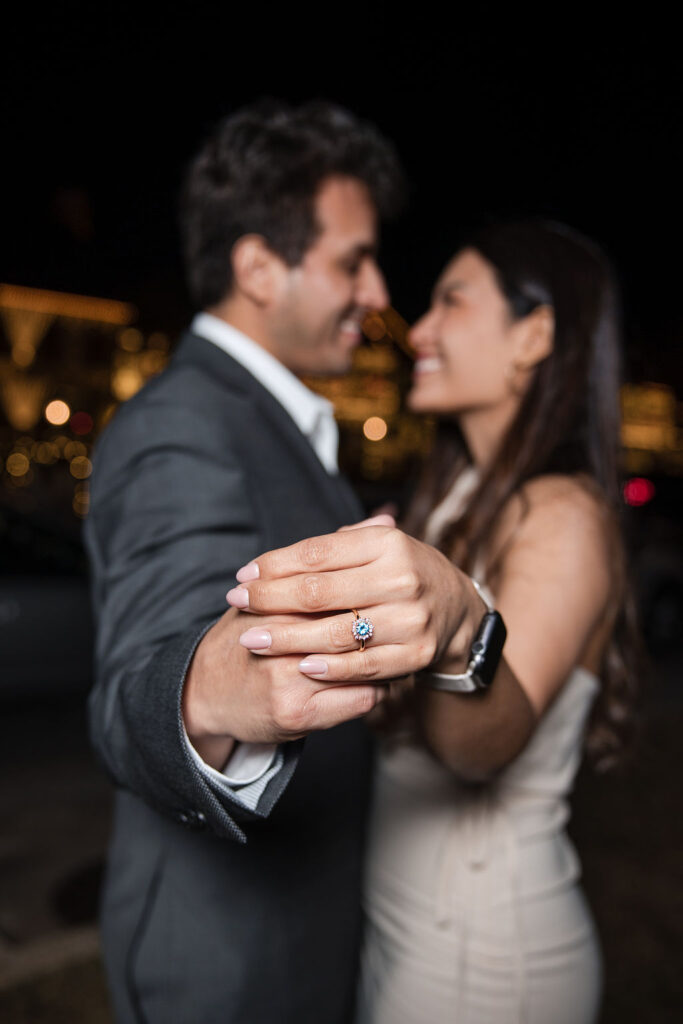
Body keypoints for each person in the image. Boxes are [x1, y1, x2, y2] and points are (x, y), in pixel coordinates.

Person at [85, 100, 473, 1024]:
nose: (378, 293)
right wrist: (208, 689)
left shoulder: (269, 418)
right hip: (230, 964)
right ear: (259, 266)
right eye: (352, 260)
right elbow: (137, 677)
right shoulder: (182, 422)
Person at [230, 222, 639, 1023]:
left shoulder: (563, 513)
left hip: (483, 958)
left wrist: (460, 632)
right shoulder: (457, 498)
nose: (417, 330)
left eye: (450, 301)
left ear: (534, 336)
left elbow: (479, 747)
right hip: (406, 929)